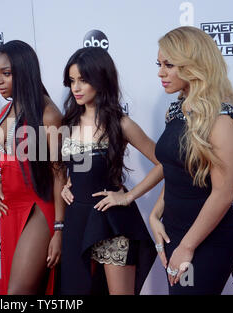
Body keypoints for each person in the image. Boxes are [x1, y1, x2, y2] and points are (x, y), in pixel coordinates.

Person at [57, 47, 162, 295]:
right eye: (72, 81)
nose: (76, 88)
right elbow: (64, 166)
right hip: (77, 219)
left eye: (83, 80)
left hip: (113, 222)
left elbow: (164, 163)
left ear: (101, 79)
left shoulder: (121, 123)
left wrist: (127, 196)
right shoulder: (68, 123)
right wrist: (67, 184)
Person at [150, 26, 233, 295]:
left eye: (169, 65)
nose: (160, 72)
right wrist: (156, 213)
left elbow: (224, 194)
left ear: (194, 66)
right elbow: (177, 171)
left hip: (208, 239)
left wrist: (188, 246)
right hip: (175, 233)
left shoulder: (221, 120)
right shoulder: (176, 110)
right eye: (159, 64)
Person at [0, 40, 65, 294]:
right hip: (9, 207)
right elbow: (9, 157)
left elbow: (59, 175)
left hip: (39, 208)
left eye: (6, 73)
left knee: (18, 293)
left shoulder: (48, 114)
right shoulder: (5, 109)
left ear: (24, 71)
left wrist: (59, 228)